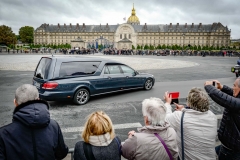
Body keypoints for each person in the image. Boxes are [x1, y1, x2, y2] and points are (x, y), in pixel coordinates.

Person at [0, 84, 68, 160]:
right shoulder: (54, 126)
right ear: (38, 99)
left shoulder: (3, 134)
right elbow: (62, 153)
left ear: (15, 103)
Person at [164, 88, 217, 160]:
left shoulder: (180, 117)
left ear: (189, 103)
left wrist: (167, 103)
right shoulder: (212, 116)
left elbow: (166, 119)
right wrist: (183, 109)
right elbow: (196, 114)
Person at [204, 79, 240, 159]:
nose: (232, 87)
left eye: (234, 85)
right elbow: (232, 94)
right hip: (230, 145)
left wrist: (209, 87)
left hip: (232, 150)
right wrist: (222, 88)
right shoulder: (237, 98)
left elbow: (222, 98)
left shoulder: (237, 104)